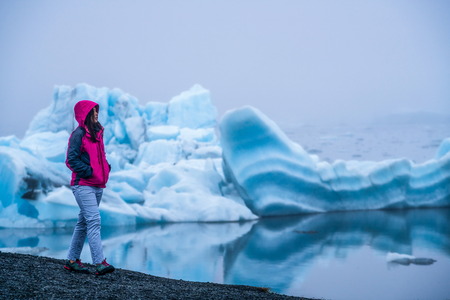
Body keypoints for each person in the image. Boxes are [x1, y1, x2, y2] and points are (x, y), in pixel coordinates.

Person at [64, 100, 115, 275]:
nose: (96, 114)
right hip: (83, 184)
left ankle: (72, 260)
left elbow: (101, 155)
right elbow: (71, 160)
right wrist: (88, 171)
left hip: (98, 184)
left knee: (83, 222)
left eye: (96, 111)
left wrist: (106, 167)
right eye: (93, 112)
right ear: (85, 114)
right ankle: (99, 262)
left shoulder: (98, 133)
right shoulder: (78, 134)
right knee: (94, 221)